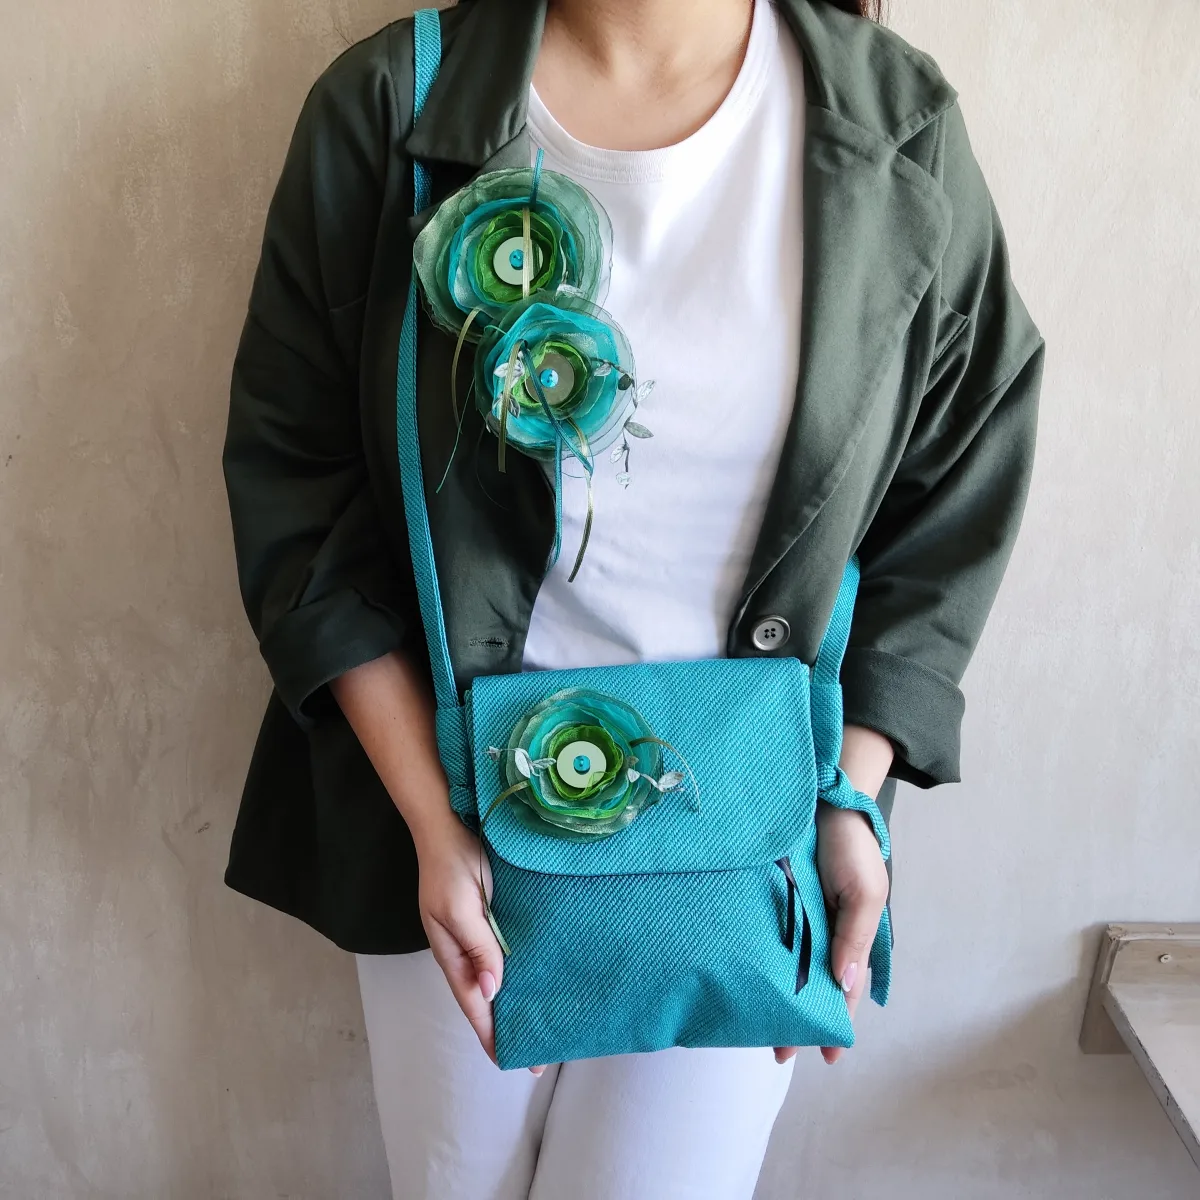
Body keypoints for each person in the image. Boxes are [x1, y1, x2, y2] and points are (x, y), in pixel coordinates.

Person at [222, 0, 1043, 1194]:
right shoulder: (392, 108)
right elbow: (299, 484)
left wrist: (849, 799)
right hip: (447, 837)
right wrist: (432, 820)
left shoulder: (895, 123)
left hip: (748, 846)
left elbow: (954, 489)